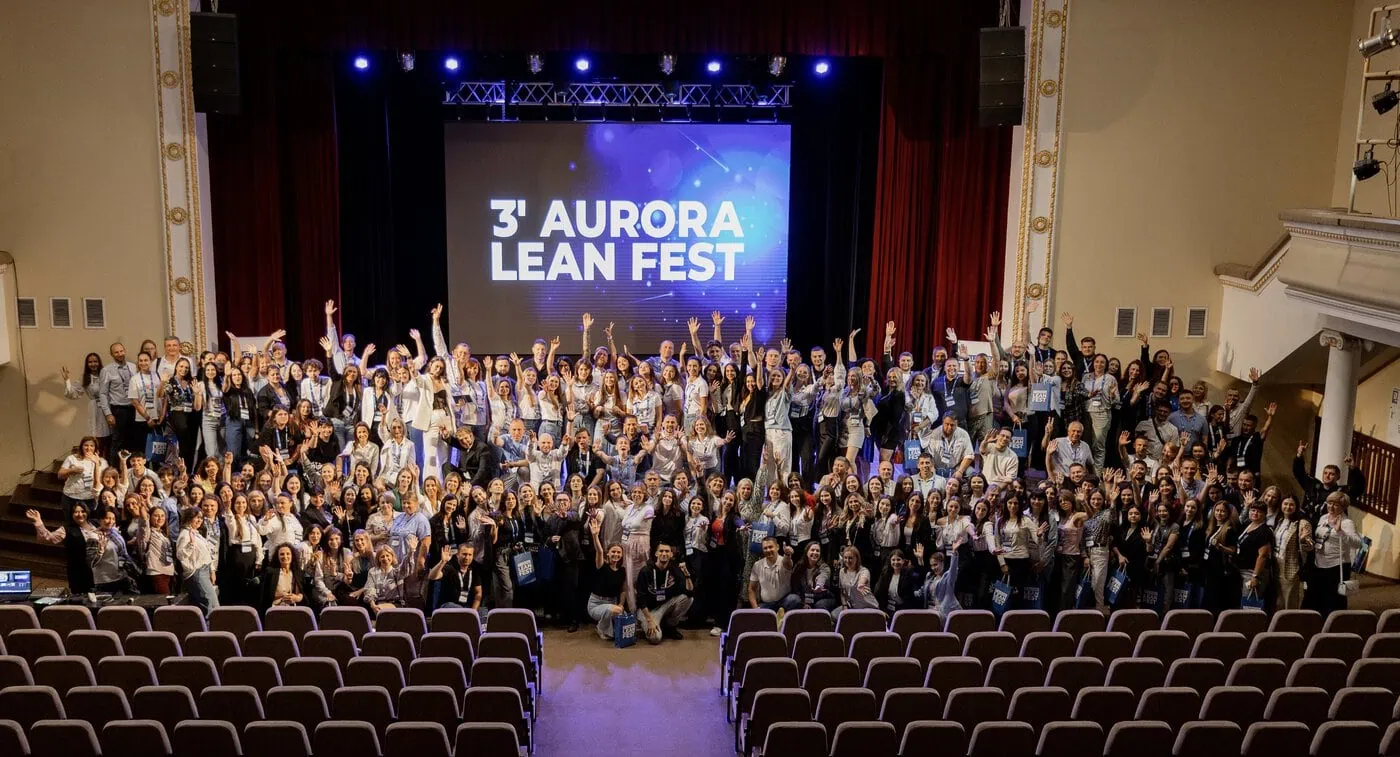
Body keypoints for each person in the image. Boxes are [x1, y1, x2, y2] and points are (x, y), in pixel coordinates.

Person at [29, 501, 132, 594]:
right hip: (81, 573)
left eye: (83, 511)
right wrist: (38, 522)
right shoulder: (66, 530)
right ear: (71, 514)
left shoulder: (96, 523)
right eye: (76, 512)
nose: (80, 514)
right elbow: (47, 538)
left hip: (105, 573)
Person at [1305, 491, 1362, 615]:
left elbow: (1358, 543)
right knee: (1314, 599)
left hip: (1336, 566)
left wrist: (1340, 531)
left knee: (1332, 601)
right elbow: (1320, 537)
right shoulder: (1323, 518)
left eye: (1335, 504)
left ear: (1343, 507)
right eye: (1329, 503)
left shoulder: (1347, 523)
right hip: (1318, 564)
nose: (1331, 506)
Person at [634, 542, 694, 643]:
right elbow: (641, 599)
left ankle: (670, 626)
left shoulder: (674, 570)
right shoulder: (645, 571)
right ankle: (650, 623)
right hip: (648, 610)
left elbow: (689, 592)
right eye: (661, 551)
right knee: (655, 638)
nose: (664, 553)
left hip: (664, 606)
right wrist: (649, 620)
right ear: (656, 553)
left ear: (671, 554)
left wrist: (687, 574)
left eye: (667, 551)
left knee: (688, 599)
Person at [586, 517, 628, 641]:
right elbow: (599, 551)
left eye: (618, 552)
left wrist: (621, 604)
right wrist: (595, 536)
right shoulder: (601, 566)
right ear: (608, 553)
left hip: (613, 603)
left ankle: (607, 626)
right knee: (615, 612)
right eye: (613, 552)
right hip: (596, 604)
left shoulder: (622, 570)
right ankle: (601, 628)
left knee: (623, 615)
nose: (616, 554)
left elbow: (623, 590)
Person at [176, 507, 219, 615]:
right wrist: (191, 544)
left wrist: (212, 570)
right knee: (210, 605)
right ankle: (210, 626)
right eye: (197, 517)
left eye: (201, 518)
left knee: (213, 605)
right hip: (197, 573)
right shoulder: (185, 534)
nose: (200, 520)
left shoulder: (196, 533)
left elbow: (206, 554)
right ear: (188, 518)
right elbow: (181, 555)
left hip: (205, 571)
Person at [427, 543, 483, 610]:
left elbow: (478, 593)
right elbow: (431, 576)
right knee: (457, 608)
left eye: (470, 555)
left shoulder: (474, 571)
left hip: (466, 607)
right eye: (464, 554)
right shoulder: (450, 568)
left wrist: (473, 611)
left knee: (484, 612)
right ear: (458, 555)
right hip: (448, 606)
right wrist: (442, 562)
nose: (467, 557)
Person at [747, 537, 794, 611]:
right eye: (765, 548)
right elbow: (751, 589)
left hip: (784, 603)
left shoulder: (784, 560)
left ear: (777, 547)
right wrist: (755, 609)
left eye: (770, 547)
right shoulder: (757, 565)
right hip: (766, 605)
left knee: (794, 599)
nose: (768, 550)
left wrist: (787, 555)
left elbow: (788, 564)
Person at [835, 545, 878, 614]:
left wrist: (860, 584)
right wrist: (844, 605)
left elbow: (863, 579)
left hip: (867, 606)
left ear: (857, 558)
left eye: (850, 558)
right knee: (833, 615)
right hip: (851, 606)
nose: (847, 560)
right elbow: (842, 591)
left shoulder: (864, 571)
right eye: (845, 558)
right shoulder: (842, 571)